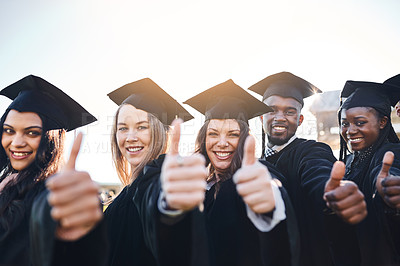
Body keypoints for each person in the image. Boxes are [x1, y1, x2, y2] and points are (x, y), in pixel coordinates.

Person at [146, 79, 299, 265]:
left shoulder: (257, 174)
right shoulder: (201, 187)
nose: (222, 142)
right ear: (203, 139)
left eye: (233, 134)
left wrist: (269, 202)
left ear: (244, 140)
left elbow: (271, 189)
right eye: (213, 134)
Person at [248, 71, 367, 266]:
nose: (280, 117)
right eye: (272, 110)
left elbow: (318, 173)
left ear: (300, 120)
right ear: (261, 117)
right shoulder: (255, 164)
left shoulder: (311, 151)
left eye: (289, 111)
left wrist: (330, 191)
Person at [0, 75, 102, 266]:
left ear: (50, 139)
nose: (16, 142)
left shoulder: (51, 196)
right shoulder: (5, 186)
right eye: (9, 130)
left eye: (31, 132)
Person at [104, 78, 195, 265]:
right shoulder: (117, 205)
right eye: (123, 128)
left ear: (159, 131)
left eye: (142, 127)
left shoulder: (164, 189)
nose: (130, 137)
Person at [335, 79, 400, 265]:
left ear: (383, 122)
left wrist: (388, 186)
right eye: (345, 123)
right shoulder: (348, 160)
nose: (350, 131)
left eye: (360, 122)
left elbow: (385, 172)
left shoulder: (391, 153)